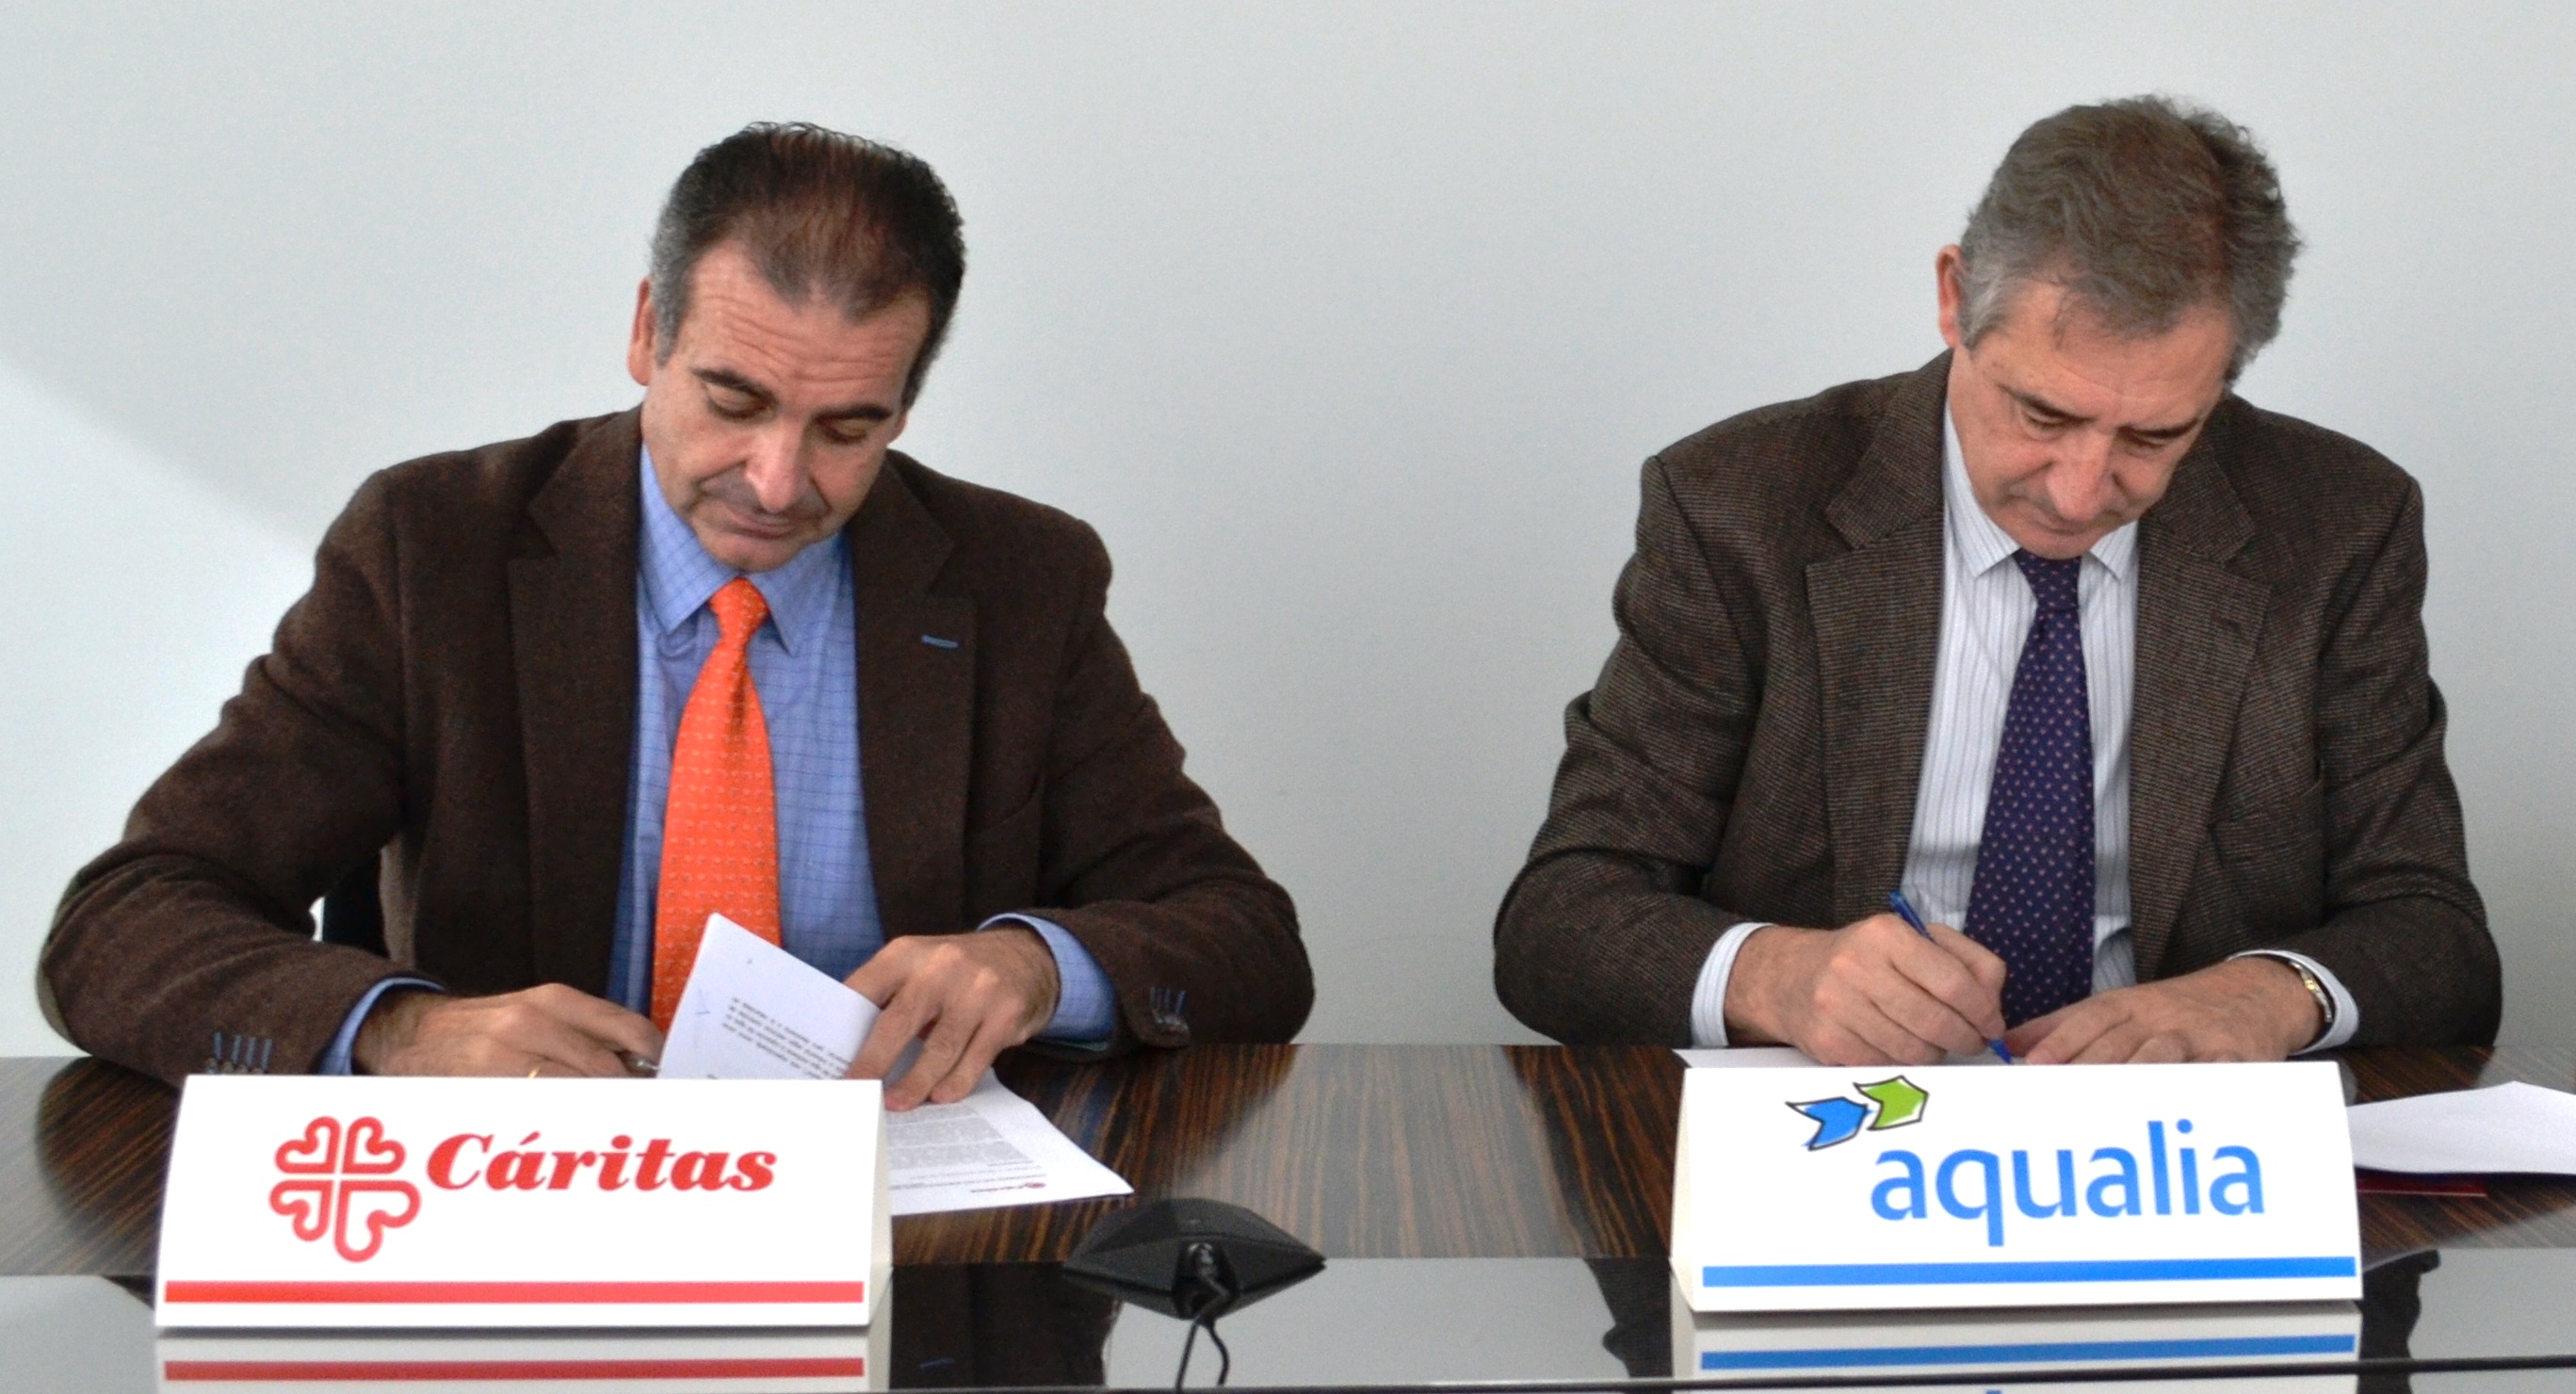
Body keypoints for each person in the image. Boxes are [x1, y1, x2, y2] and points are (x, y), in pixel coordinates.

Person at [43, 122, 1311, 1104]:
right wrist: (407, 1031)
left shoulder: (1018, 580)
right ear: (649, 332)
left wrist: (1035, 968)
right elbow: (123, 924)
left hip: (908, 1238)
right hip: (514, 1228)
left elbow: (1244, 939)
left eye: (846, 429)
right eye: (733, 401)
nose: (776, 479)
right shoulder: (434, 549)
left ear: (906, 403)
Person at [1495, 96, 2496, 1065]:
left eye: (2152, 437)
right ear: (1953, 297)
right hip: (1837, 1127)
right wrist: (1778, 977)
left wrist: (2270, 994)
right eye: (2041, 415)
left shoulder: (2336, 526)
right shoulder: (1740, 509)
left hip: (2174, 1145)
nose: (2077, 491)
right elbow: (1557, 926)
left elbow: (2437, 942)